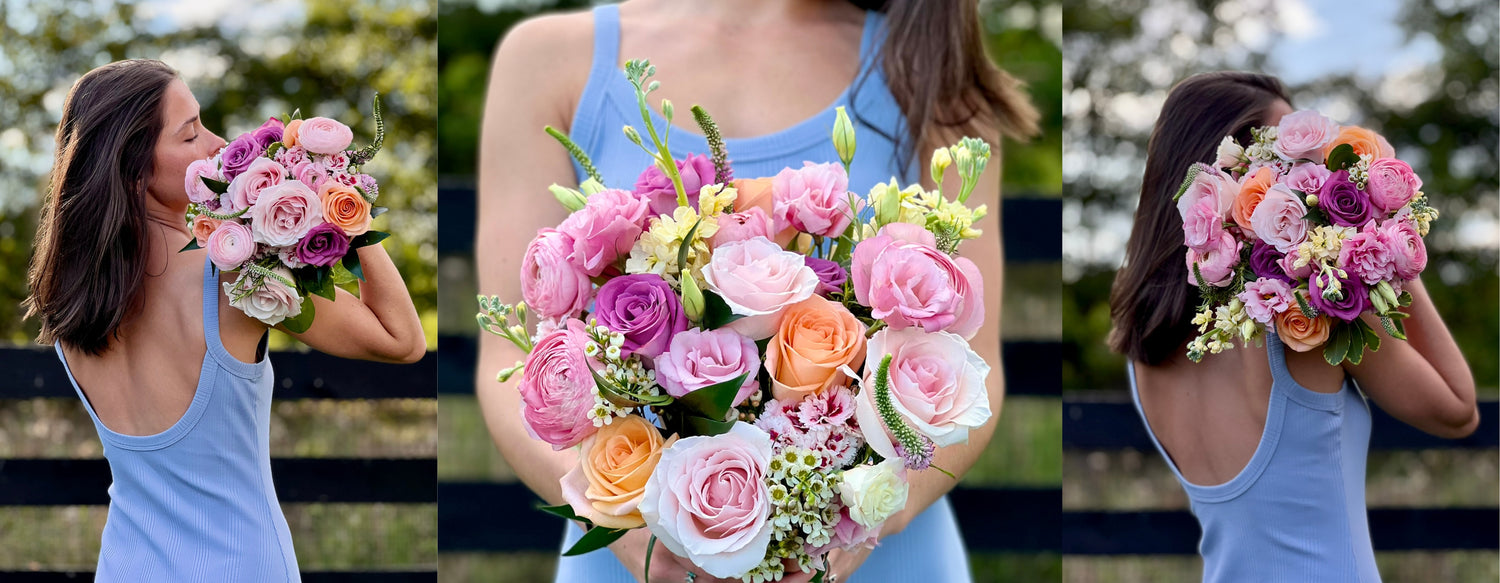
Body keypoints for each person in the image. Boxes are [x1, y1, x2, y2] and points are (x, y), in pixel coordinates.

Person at [474, 1, 1038, 581]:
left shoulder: (931, 64)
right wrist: (636, 532)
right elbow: (508, 362)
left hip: (884, 562)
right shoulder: (549, 57)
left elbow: (977, 369)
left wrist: (857, 522)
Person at [23, 59, 427, 581]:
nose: (217, 144)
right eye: (190, 134)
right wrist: (342, 198)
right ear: (133, 168)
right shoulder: (239, 278)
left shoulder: (68, 300)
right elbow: (401, 339)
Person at [1107, 71, 1478, 582]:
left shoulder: (1142, 348)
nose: (1312, 168)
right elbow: (1458, 410)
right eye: (1285, 154)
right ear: (1235, 170)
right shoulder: (1306, 314)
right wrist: (1388, 239)